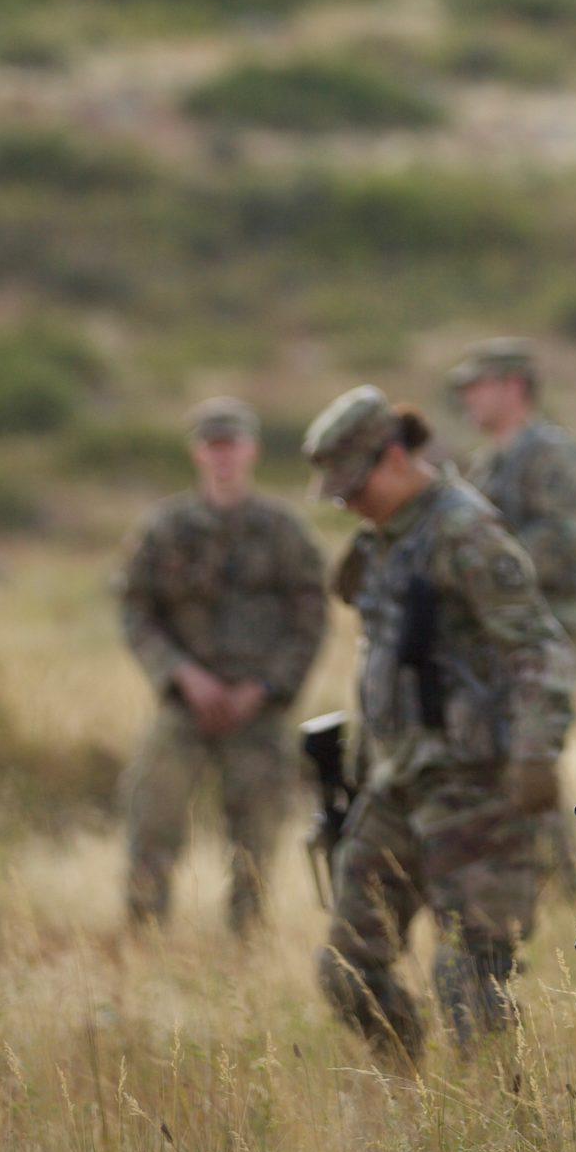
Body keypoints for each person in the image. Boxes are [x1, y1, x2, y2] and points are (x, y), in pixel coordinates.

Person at [302, 385, 572, 1064]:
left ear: (393, 458)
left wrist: (536, 755)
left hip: (473, 787)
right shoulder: (388, 538)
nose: (346, 502)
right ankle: (415, 1094)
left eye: (353, 487)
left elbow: (536, 646)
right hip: (394, 782)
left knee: (471, 979)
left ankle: (501, 1136)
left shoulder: (465, 533)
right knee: (346, 968)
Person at [119, 398, 326, 934]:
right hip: (186, 702)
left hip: (257, 708)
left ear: (251, 450)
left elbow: (310, 619)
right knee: (152, 816)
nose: (223, 457)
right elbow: (136, 610)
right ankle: (145, 932)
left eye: (231, 445)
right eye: (213, 446)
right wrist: (182, 675)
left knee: (257, 835)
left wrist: (265, 686)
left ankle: (246, 939)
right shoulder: (165, 528)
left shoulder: (283, 531)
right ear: (197, 453)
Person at [446, 339, 576, 652]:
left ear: (513, 386)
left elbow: (562, 539)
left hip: (544, 628)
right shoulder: (486, 464)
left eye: (478, 385)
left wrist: (482, 571)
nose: (468, 397)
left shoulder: (551, 455)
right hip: (494, 629)